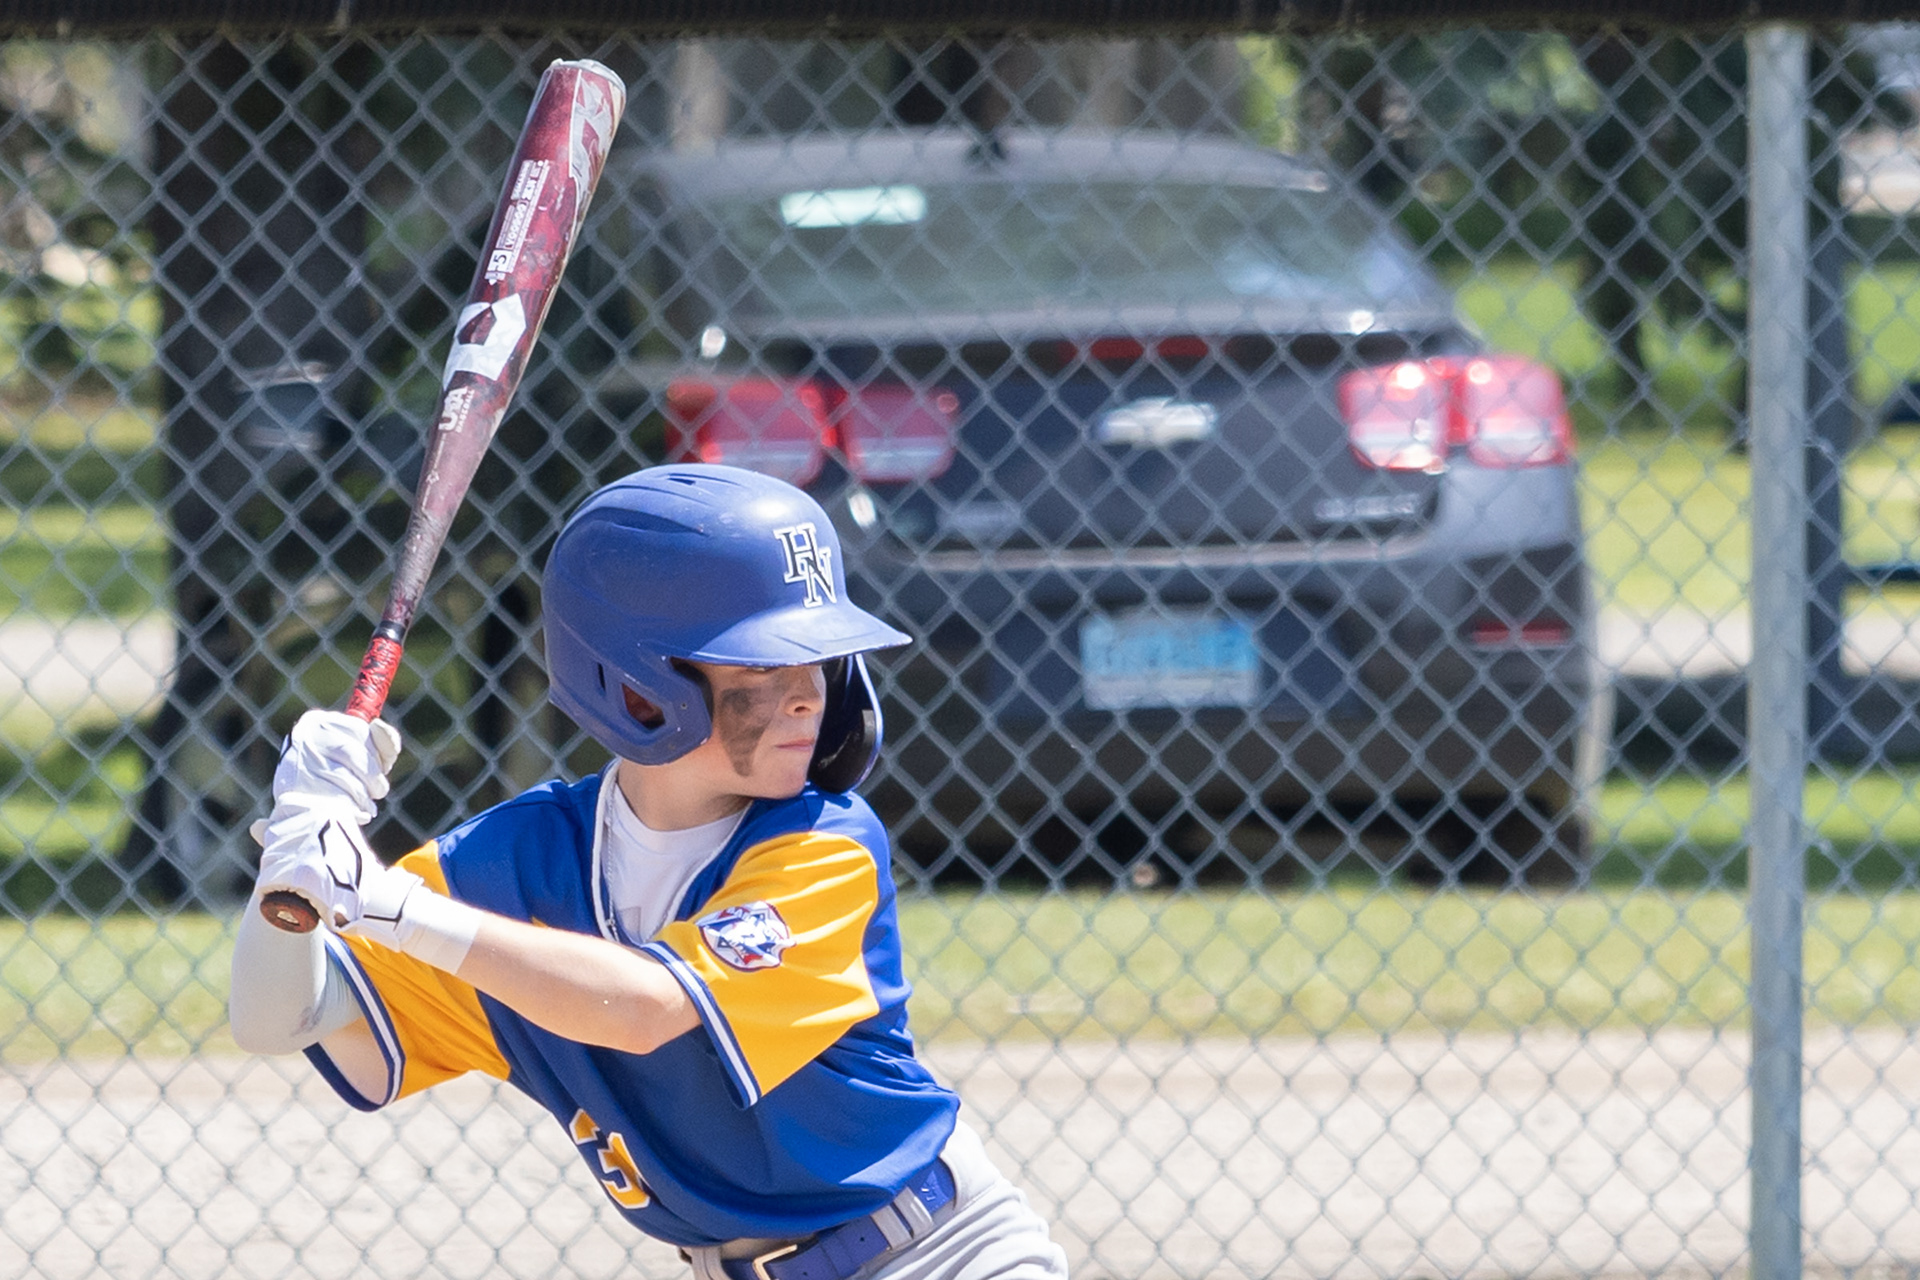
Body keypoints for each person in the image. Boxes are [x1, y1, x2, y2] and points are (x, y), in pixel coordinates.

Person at [227, 463, 1068, 1280]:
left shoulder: (823, 844)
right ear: (635, 690)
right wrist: (292, 862)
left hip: (941, 1254)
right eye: (765, 663)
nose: (809, 694)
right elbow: (281, 1021)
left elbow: (642, 1009)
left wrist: (384, 901)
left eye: (821, 657)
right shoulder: (510, 867)